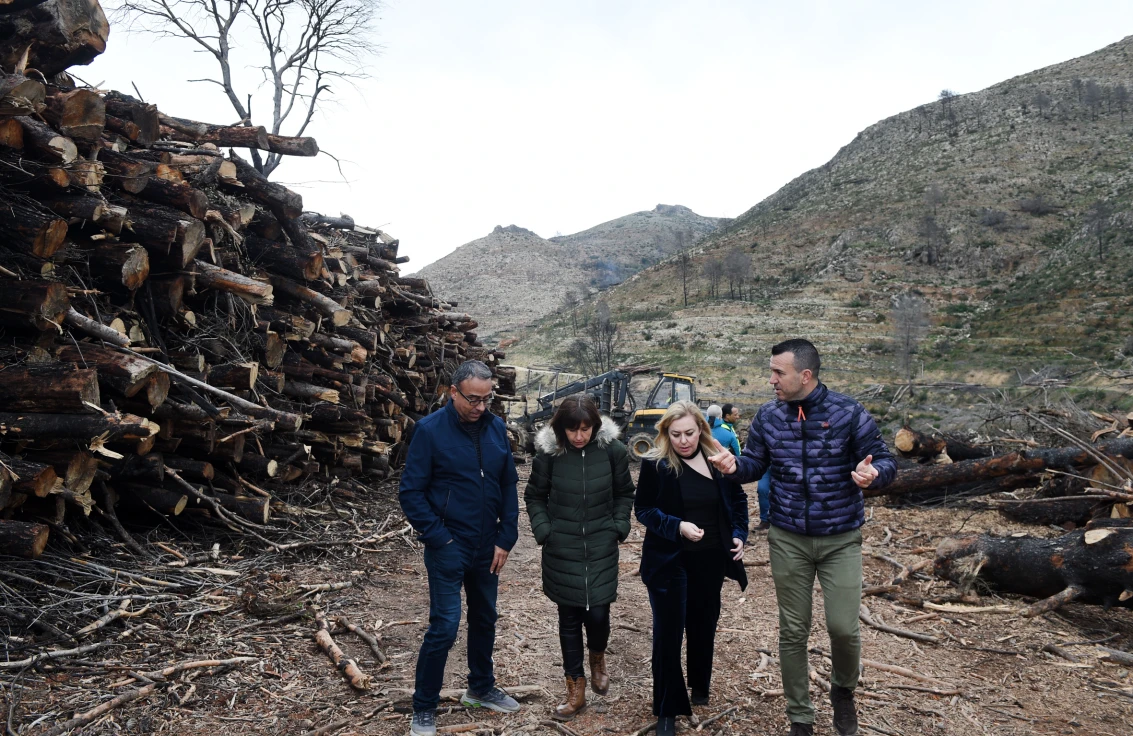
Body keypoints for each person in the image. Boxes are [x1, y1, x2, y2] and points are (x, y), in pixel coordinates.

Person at [706, 339, 897, 736]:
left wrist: (874, 475)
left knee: (844, 627)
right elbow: (754, 463)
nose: (771, 379)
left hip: (840, 537)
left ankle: (843, 692)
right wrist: (732, 466)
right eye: (772, 371)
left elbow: (886, 459)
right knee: (793, 629)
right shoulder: (769, 417)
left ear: (804, 375)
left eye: (779, 372)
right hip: (788, 536)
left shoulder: (848, 413)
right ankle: (800, 717)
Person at [398, 360, 521, 736]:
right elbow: (410, 492)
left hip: (488, 547)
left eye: (486, 399)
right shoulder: (430, 431)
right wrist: (441, 539)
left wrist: (506, 537)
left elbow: (508, 486)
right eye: (472, 399)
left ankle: (480, 688)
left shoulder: (497, 428)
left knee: (485, 618)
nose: (480, 407)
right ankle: (424, 706)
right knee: (445, 626)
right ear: (453, 392)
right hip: (449, 546)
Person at [634, 401, 749, 736]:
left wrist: (740, 534)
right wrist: (677, 525)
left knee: (703, 624)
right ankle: (667, 709)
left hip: (711, 558)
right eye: (675, 434)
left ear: (701, 428)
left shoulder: (718, 461)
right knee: (668, 634)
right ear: (666, 434)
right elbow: (644, 510)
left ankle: (700, 687)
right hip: (670, 561)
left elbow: (738, 500)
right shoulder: (656, 464)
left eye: (689, 433)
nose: (683, 440)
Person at [524, 395, 635, 720]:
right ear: (561, 428)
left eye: (585, 429)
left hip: (601, 546)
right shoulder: (550, 455)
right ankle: (576, 689)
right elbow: (534, 496)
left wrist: (618, 525)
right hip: (562, 549)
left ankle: (597, 656)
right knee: (569, 621)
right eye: (572, 430)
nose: (579, 436)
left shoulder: (612, 452)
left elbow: (625, 492)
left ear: (594, 426)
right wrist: (545, 530)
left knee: (598, 615)